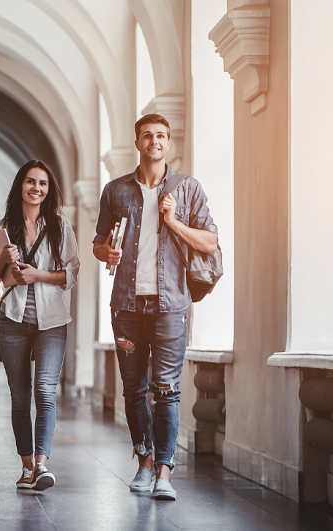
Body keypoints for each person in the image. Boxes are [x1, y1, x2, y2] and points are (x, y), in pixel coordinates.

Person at [93, 114, 218, 501]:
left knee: (167, 389)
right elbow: (98, 243)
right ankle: (144, 462)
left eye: (161, 135)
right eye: (148, 135)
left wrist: (173, 221)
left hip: (170, 307)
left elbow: (210, 243)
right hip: (126, 309)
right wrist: (106, 251)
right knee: (133, 389)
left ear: (169, 143)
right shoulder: (116, 191)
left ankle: (164, 471)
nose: (155, 141)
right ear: (138, 142)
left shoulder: (188, 189)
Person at [0, 160, 80, 491]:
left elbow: (72, 274)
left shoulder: (61, 227)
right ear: (20, 186)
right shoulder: (1, 227)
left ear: (49, 190)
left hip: (52, 321)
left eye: (42, 183)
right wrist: (2, 259)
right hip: (13, 320)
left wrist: (38, 274)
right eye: (30, 182)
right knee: (20, 396)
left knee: (45, 390)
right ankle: (26, 467)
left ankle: (42, 465)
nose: (36, 188)